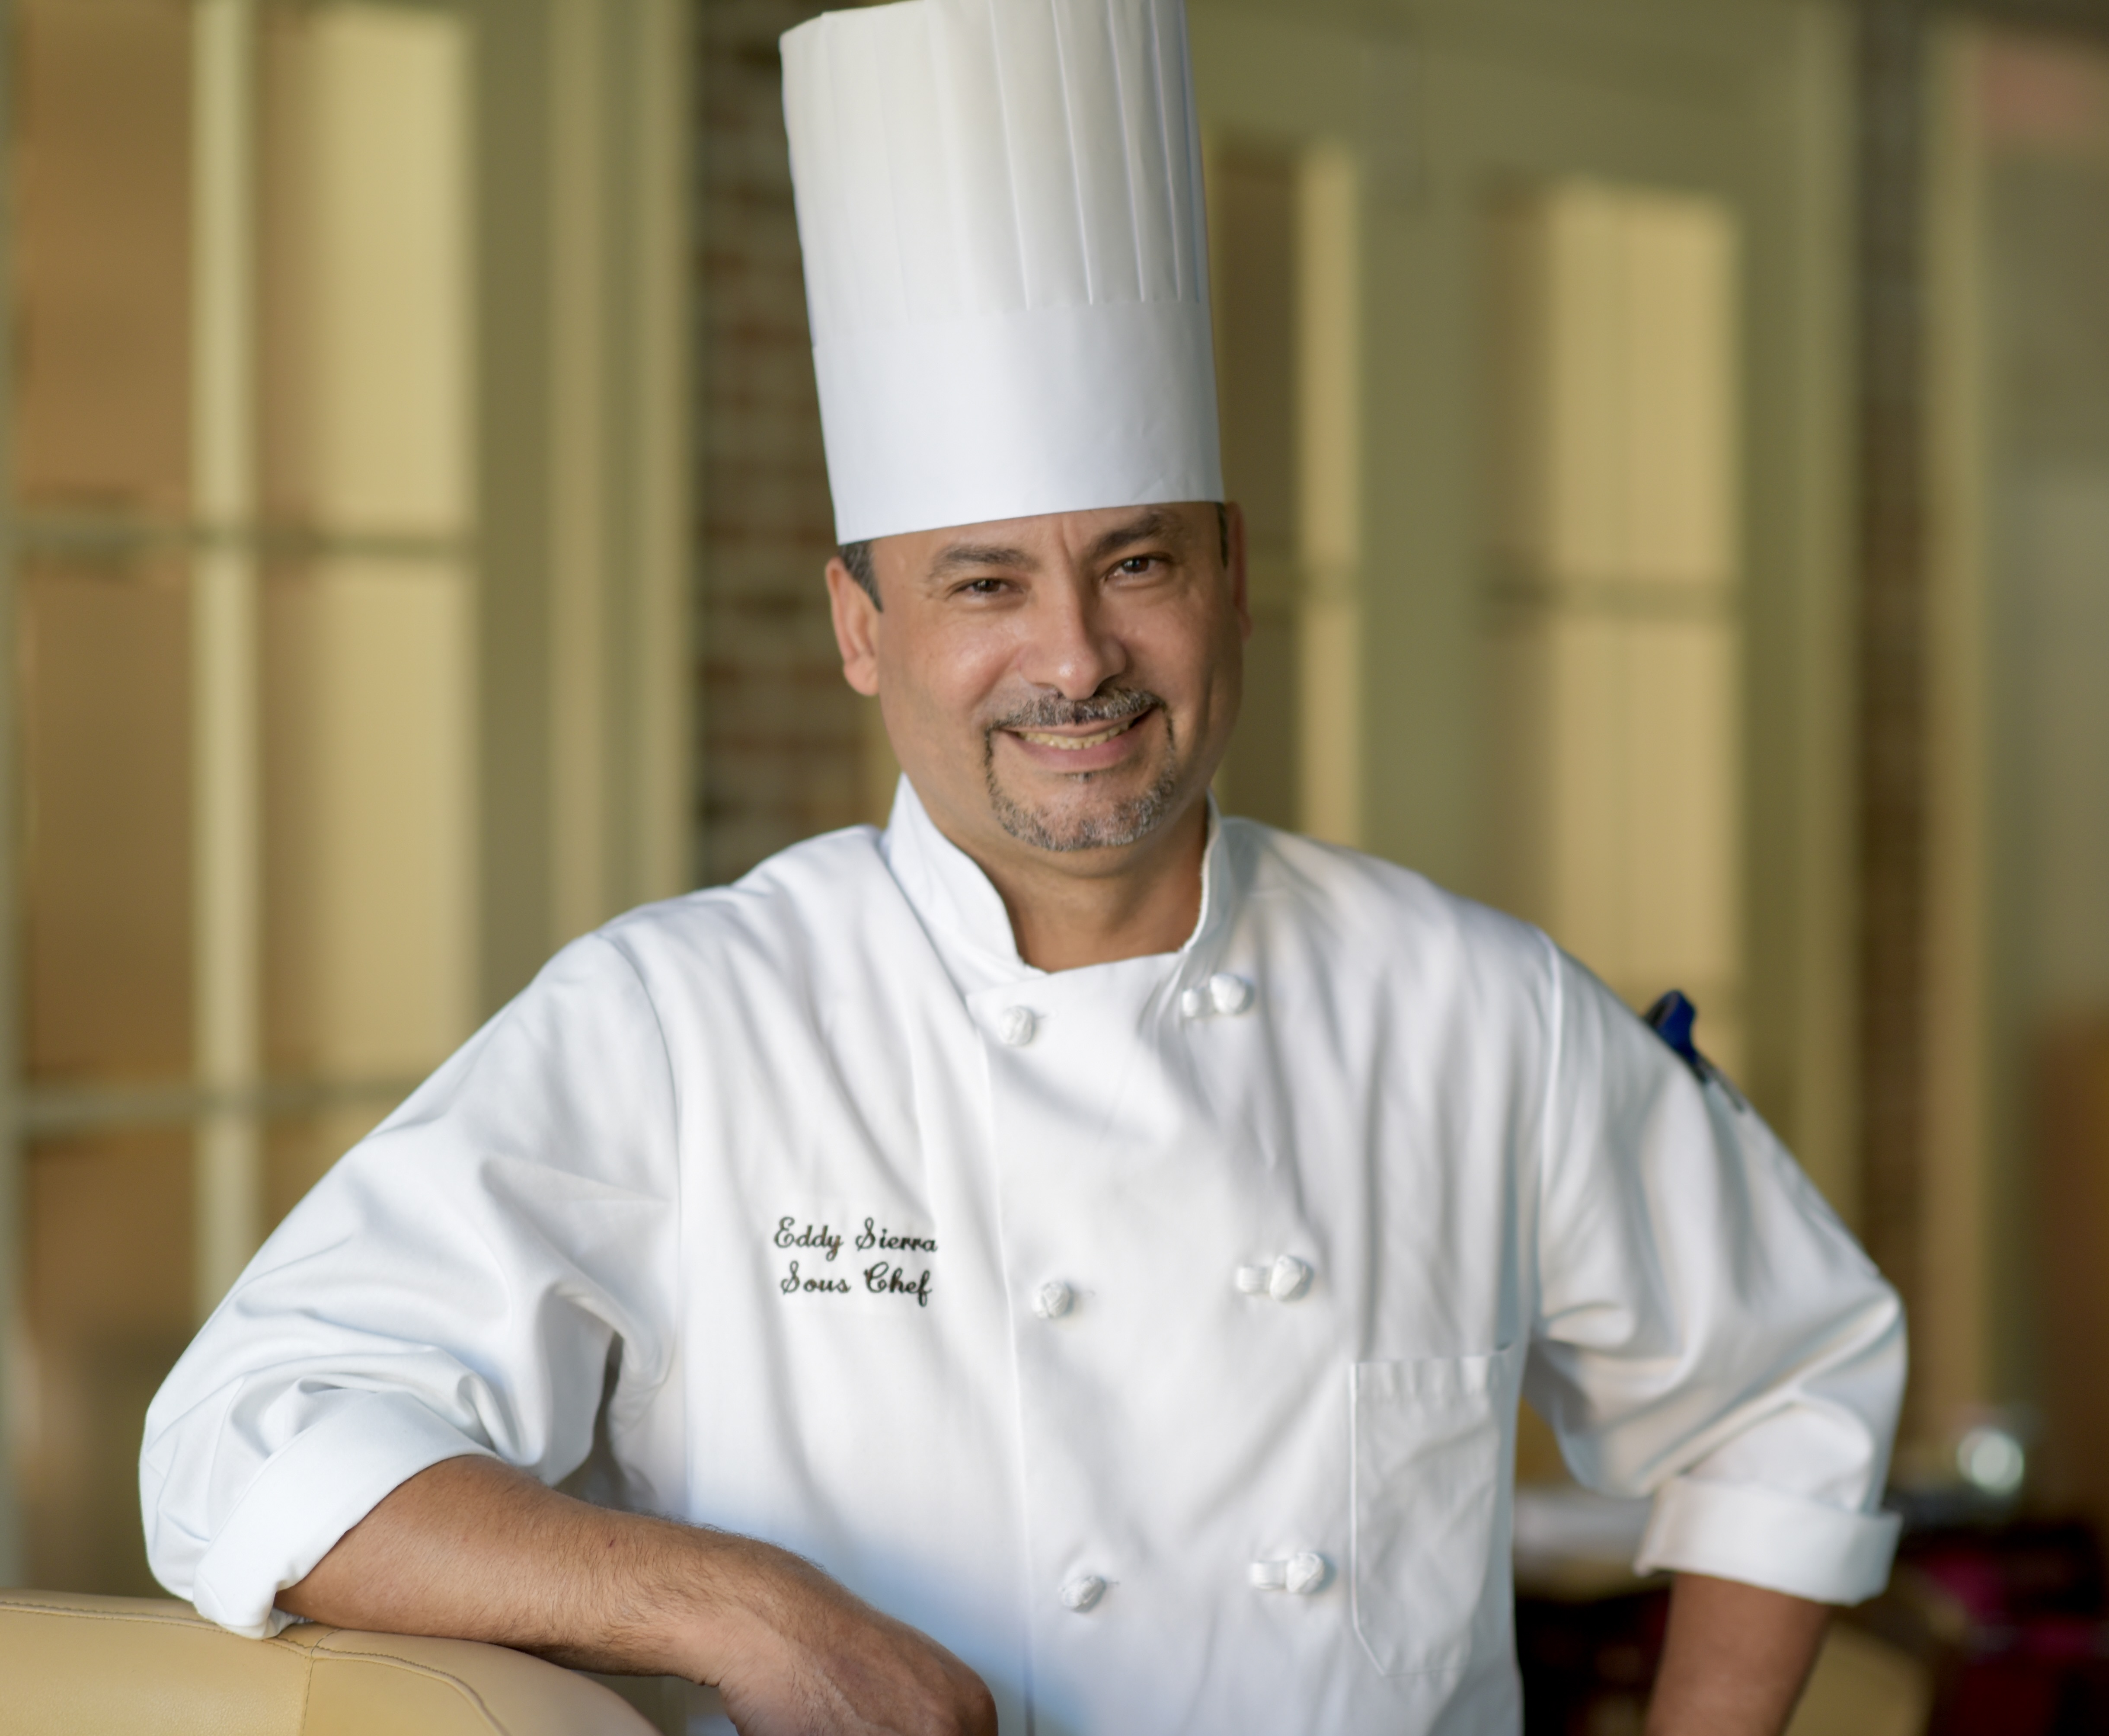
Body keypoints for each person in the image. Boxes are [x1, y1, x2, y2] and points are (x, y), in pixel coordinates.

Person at [140, 1, 1906, 1731]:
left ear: (1231, 575)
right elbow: (250, 1436)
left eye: (1137, 563)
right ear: (861, 626)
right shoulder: (682, 1024)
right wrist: (747, 1611)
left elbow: (1790, 1385)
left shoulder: (1474, 1003)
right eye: (984, 583)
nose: (1076, 657)